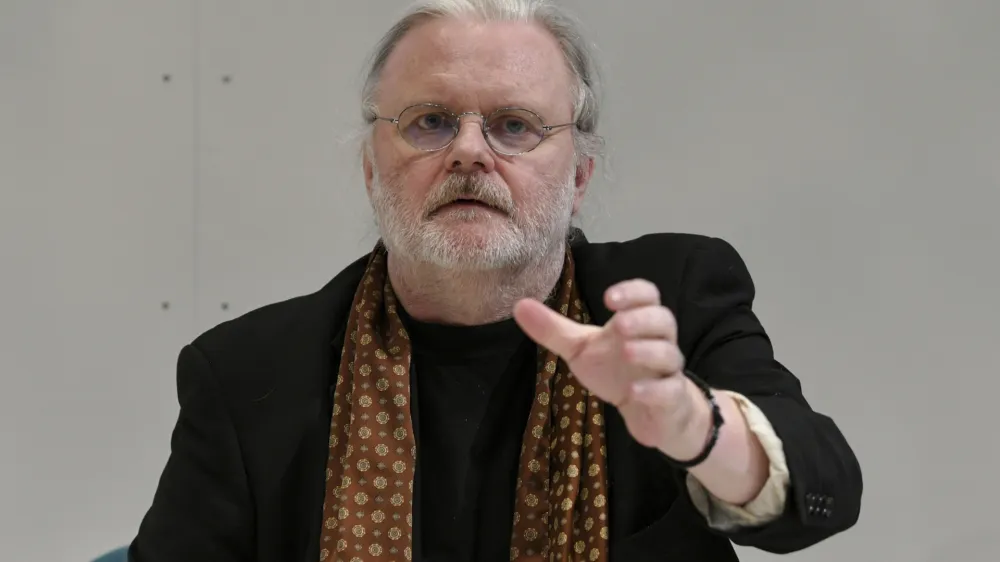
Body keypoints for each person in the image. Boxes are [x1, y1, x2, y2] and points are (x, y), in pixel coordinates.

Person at [128, 0, 862, 560]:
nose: (469, 153)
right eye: (430, 122)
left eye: (514, 125)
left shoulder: (670, 300)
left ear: (578, 176)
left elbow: (824, 492)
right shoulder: (246, 372)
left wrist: (694, 425)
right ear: (368, 168)